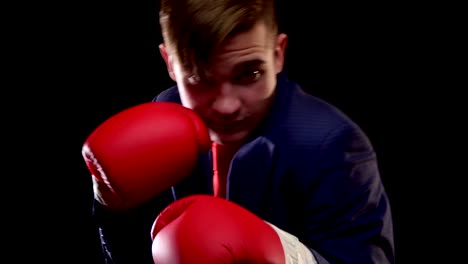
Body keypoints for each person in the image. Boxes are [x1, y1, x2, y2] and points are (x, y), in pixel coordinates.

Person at [83, 0, 395, 263]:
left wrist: (283, 253)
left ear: (278, 53)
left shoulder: (333, 144)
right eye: (200, 78)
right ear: (170, 63)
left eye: (249, 74)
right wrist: (111, 204)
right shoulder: (164, 112)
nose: (226, 105)